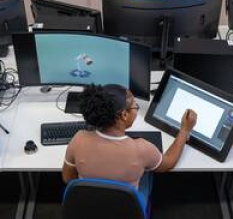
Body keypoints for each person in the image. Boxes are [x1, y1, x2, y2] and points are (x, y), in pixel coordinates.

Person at [62, 84, 197, 204]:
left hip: (88, 209)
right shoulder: (141, 149)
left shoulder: (78, 139)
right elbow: (168, 163)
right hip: (126, 218)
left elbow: (68, 178)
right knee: (149, 173)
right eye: (134, 106)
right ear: (124, 115)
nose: (136, 109)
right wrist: (185, 129)